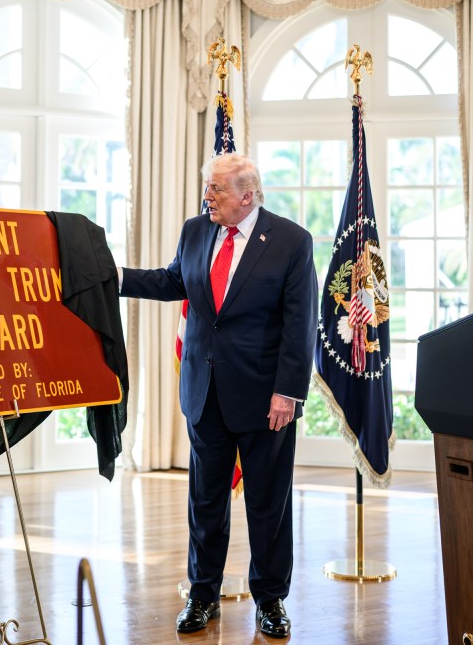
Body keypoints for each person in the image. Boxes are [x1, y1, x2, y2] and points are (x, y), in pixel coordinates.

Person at [120, 152, 316, 638]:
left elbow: (300, 324)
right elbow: (172, 281)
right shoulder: (196, 230)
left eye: (217, 189)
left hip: (265, 398)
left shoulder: (291, 240)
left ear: (247, 195)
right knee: (205, 500)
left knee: (268, 504)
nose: (208, 196)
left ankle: (270, 600)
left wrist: (288, 392)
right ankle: (203, 595)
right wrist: (113, 278)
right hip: (204, 391)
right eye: (208, 187)